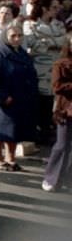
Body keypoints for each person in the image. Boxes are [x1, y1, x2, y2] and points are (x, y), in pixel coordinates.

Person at [0, 25, 39, 171]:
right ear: (5, 36)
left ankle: (10, 158)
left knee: (13, 130)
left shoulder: (22, 54)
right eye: (13, 35)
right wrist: (2, 97)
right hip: (2, 100)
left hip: (19, 99)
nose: (17, 39)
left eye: (20, 35)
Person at [23, 0, 66, 143]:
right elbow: (33, 44)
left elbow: (64, 42)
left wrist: (48, 42)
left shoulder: (59, 24)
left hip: (54, 70)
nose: (56, 11)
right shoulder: (31, 24)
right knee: (37, 101)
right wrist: (52, 42)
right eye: (53, 7)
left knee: (50, 101)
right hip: (38, 69)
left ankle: (47, 130)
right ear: (44, 8)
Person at [42, 34, 72, 192]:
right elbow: (57, 86)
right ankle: (51, 178)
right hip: (65, 110)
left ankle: (66, 179)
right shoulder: (60, 64)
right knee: (62, 145)